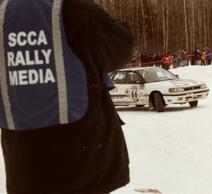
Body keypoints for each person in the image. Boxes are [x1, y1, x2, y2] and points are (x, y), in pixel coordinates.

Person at [0, 0, 133, 194]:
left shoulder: (3, 12)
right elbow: (121, 48)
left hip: (23, 167)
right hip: (84, 161)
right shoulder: (73, 8)